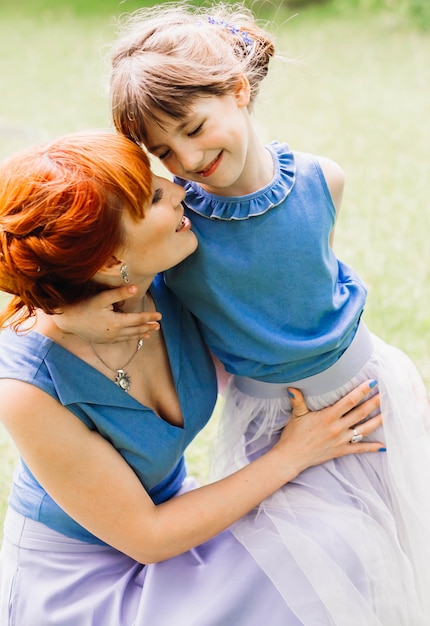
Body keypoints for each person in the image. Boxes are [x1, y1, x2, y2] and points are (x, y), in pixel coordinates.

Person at [52, 3, 430, 624]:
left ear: (238, 90)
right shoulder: (180, 232)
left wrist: (387, 373)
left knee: (392, 543)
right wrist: (73, 320)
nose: (187, 160)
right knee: (314, 567)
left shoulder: (321, 181)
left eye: (195, 128)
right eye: (163, 152)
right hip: (276, 416)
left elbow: (319, 294)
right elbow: (111, 285)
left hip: (367, 389)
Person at [0, 131, 385, 626]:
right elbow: (148, 537)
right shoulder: (27, 390)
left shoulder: (174, 277)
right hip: (83, 582)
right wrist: (293, 453)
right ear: (112, 261)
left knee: (330, 547)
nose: (180, 189)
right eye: (156, 196)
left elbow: (296, 291)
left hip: (179, 526)